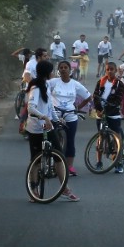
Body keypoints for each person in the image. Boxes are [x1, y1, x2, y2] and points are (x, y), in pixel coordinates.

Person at [25, 60, 79, 202]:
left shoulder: (47, 85)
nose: (54, 73)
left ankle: (64, 188)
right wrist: (43, 117)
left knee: (59, 156)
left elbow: (49, 106)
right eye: (52, 70)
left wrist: (56, 119)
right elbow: (31, 108)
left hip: (48, 126)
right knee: (35, 160)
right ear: (47, 72)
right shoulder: (36, 88)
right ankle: (34, 190)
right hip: (36, 128)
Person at [48, 60, 92, 178]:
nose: (63, 69)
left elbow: (88, 97)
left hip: (70, 115)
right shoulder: (52, 82)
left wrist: (78, 107)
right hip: (55, 114)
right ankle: (51, 164)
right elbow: (44, 92)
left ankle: (69, 166)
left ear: (70, 70)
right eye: (61, 67)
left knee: (70, 141)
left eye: (65, 67)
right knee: (52, 140)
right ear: (58, 70)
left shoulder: (75, 84)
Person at [93, 61, 124, 173]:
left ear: (115, 70)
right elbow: (96, 96)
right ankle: (99, 162)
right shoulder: (100, 82)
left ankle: (118, 163)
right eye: (107, 69)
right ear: (105, 70)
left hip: (113, 114)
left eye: (112, 69)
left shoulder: (119, 84)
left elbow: (118, 100)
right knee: (100, 138)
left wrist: (106, 111)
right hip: (100, 114)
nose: (109, 71)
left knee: (117, 138)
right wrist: (98, 110)